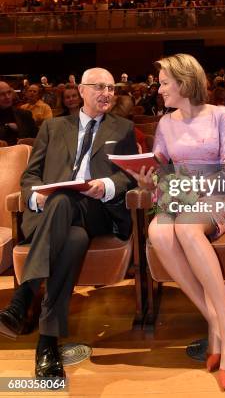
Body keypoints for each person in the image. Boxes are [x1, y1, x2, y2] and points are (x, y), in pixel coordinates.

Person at [0, 68, 137, 379]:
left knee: (66, 202)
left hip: (97, 211)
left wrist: (106, 186)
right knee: (71, 234)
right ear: (82, 91)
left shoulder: (123, 128)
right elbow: (30, 178)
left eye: (112, 88)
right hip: (54, 218)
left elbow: (127, 176)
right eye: (100, 87)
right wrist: (37, 199)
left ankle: (23, 297)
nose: (107, 93)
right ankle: (47, 342)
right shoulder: (52, 127)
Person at [127, 54, 225, 391]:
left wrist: (192, 188)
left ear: (183, 82)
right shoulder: (165, 122)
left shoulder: (220, 115)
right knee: (158, 232)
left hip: (221, 195)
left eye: (164, 82)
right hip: (179, 196)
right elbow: (161, 169)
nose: (159, 88)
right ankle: (216, 322)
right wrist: (148, 180)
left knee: (186, 228)